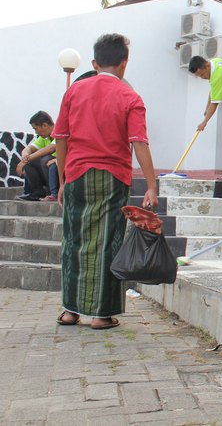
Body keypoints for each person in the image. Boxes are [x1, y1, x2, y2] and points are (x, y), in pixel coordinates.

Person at [53, 33, 158, 329]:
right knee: (106, 242)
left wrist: (61, 180)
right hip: (113, 177)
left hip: (76, 174)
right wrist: (151, 185)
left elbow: (61, 138)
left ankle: (69, 311)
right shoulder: (130, 97)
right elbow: (139, 142)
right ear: (125, 64)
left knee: (74, 239)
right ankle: (101, 314)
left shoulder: (73, 92)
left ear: (94, 63)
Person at [15, 111, 59, 201]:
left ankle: (54, 192)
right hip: (49, 172)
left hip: (61, 170)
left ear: (45, 125)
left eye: (35, 129)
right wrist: (25, 158)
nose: (36, 132)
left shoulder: (59, 131)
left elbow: (50, 149)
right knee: (30, 162)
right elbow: (28, 149)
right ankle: (37, 192)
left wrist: (23, 162)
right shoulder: (44, 137)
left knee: (45, 159)